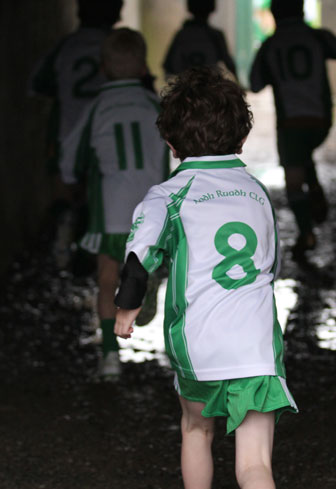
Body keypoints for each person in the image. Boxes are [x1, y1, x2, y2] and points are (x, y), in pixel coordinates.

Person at [114, 66, 298, 489]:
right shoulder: (257, 192)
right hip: (255, 348)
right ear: (243, 137)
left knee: (196, 431)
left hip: (200, 346)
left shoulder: (167, 196)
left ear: (170, 141)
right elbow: (273, 265)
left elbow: (139, 260)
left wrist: (126, 306)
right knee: (256, 465)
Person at [60, 28, 169, 378]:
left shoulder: (97, 108)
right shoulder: (154, 105)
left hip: (112, 210)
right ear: (142, 68)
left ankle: (109, 355)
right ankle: (149, 278)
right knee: (157, 257)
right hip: (154, 208)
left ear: (104, 68)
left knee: (106, 278)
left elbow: (71, 155)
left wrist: (70, 179)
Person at [250, 0, 336, 260]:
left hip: (291, 124)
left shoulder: (270, 45)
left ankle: (306, 233)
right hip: (321, 120)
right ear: (302, 10)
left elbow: (255, 83)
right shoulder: (318, 37)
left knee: (292, 182)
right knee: (304, 154)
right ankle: (314, 189)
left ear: (275, 15)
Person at [30, 0, 124, 271]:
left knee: (64, 184)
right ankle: (94, 251)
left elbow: (37, 83)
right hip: (105, 134)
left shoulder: (66, 46)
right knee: (99, 190)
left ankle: (62, 237)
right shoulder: (115, 44)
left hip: (66, 130)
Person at [163, 0, 237, 78]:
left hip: (186, 86)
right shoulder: (215, 35)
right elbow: (229, 63)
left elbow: (168, 65)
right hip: (210, 85)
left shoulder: (182, 35)